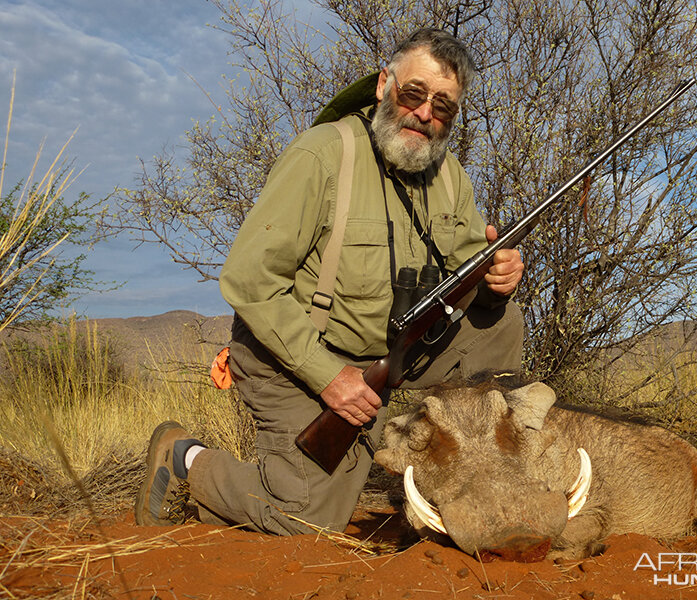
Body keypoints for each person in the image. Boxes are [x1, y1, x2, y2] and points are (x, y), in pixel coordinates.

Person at [135, 28, 525, 534]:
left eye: (444, 106)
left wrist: (497, 279)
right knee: (307, 518)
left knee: (503, 322)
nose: (426, 114)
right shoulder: (321, 155)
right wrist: (330, 378)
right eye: (413, 94)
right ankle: (183, 459)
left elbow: (466, 275)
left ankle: (478, 483)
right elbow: (249, 280)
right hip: (294, 357)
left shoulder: (449, 175)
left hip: (388, 356)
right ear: (385, 84)